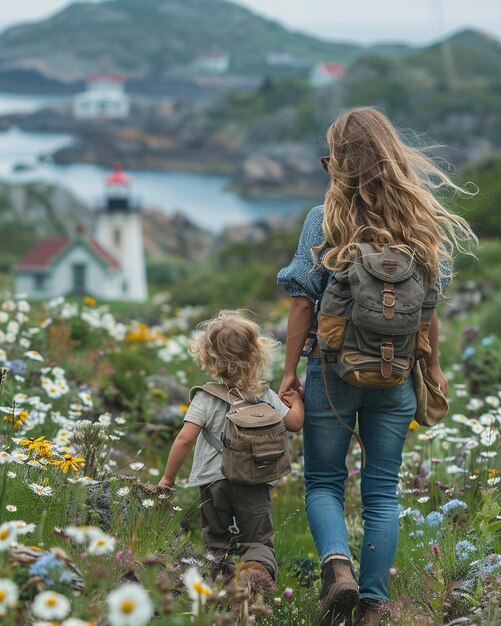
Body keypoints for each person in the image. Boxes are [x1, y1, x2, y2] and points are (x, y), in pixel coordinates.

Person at [277, 107, 476, 626]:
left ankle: (336, 569)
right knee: (382, 490)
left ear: (338, 161)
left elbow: (302, 299)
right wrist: (434, 369)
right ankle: (373, 604)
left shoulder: (324, 219)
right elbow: (428, 306)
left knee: (323, 481)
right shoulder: (420, 221)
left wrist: (288, 372)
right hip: (398, 374)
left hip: (332, 371)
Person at [158, 310, 304, 585]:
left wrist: (168, 478)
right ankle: (254, 575)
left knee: (216, 542)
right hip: (254, 480)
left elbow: (185, 439)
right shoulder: (265, 396)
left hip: (213, 482)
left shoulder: (204, 397)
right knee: (257, 539)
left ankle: (221, 594)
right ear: (257, 355)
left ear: (208, 358)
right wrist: (296, 400)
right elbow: (295, 423)